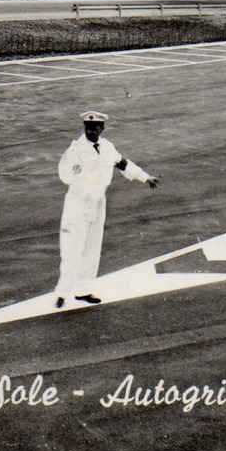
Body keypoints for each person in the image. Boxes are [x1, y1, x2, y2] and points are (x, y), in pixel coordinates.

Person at [54, 110, 158, 309]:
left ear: (102, 129)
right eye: (87, 128)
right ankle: (62, 292)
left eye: (94, 128)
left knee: (92, 248)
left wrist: (145, 177)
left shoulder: (107, 147)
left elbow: (123, 163)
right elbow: (65, 175)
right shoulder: (75, 149)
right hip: (78, 203)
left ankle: (83, 290)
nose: (90, 131)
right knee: (72, 249)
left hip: (98, 202)